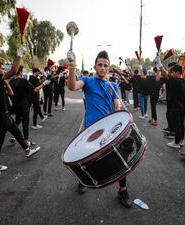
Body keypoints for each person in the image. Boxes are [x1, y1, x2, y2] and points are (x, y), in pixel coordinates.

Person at [66, 50, 133, 208]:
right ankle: (84, 180)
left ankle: (122, 190)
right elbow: (72, 86)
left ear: (109, 68)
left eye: (106, 65)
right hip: (91, 129)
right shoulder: (87, 81)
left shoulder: (113, 85)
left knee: (119, 158)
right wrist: (71, 67)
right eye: (100, 65)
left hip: (109, 130)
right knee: (88, 159)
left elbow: (116, 106)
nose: (103, 68)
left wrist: (121, 123)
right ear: (95, 66)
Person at [0, 46, 41, 173]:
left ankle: (27, 150)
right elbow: (14, 70)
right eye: (0, 68)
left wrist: (4, 81)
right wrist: (19, 54)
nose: (3, 70)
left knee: (17, 132)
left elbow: (11, 93)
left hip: (5, 115)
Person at [155, 60, 185, 149]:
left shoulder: (176, 81)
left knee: (177, 124)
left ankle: (176, 142)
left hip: (176, 106)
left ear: (177, 72)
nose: (172, 74)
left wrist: (159, 64)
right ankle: (181, 140)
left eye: (173, 72)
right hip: (183, 106)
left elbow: (165, 74)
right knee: (182, 124)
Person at [9, 66, 39, 145]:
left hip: (15, 105)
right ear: (20, 72)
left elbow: (9, 93)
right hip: (24, 105)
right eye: (22, 71)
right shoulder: (23, 81)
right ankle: (26, 141)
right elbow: (34, 90)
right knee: (25, 122)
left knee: (17, 120)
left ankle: (15, 136)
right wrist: (44, 84)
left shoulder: (10, 82)